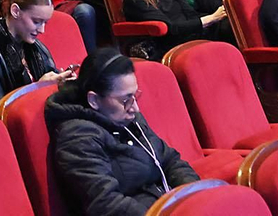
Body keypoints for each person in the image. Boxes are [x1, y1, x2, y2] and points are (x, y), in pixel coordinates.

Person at [46, 49, 198, 216]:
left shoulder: (128, 118)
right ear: (94, 100)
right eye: (125, 100)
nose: (135, 108)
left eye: (135, 96)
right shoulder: (77, 139)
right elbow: (106, 204)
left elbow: (170, 160)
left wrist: (194, 197)